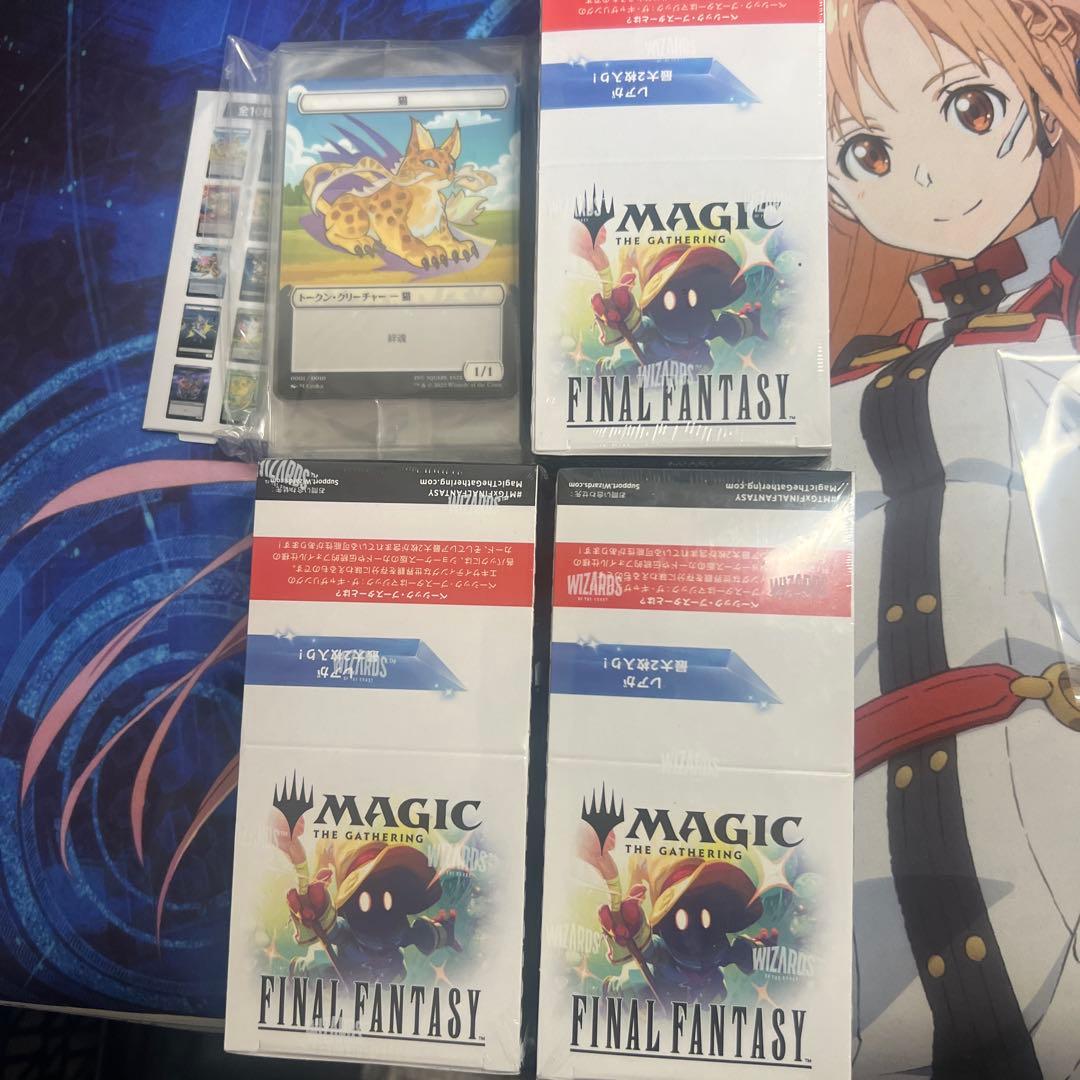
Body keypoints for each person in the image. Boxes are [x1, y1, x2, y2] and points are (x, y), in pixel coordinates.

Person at [826, 2, 1080, 1076]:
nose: (928, 178)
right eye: (869, 154)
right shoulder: (858, 359)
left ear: (1044, 101)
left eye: (971, 109)